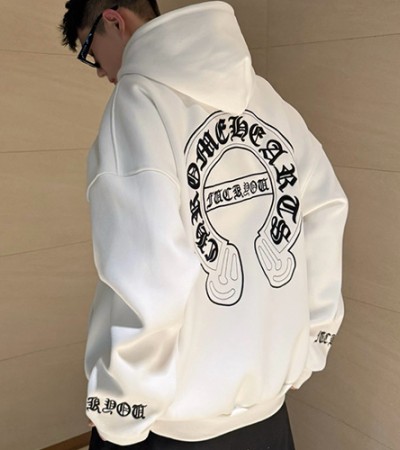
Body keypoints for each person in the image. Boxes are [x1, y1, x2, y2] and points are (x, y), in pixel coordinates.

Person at [60, 1, 348, 449]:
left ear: (113, 21)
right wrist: (314, 342)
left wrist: (122, 410)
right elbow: (325, 208)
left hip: (175, 429)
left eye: (89, 50)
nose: (99, 71)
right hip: (270, 417)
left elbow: (149, 273)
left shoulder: (136, 104)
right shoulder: (266, 98)